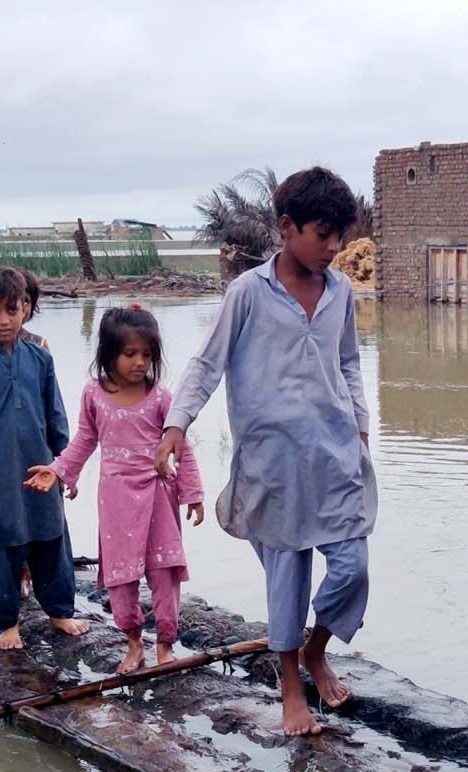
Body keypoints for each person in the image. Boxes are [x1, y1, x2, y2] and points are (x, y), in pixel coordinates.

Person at [154, 166, 373, 737]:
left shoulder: (341, 290)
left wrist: (362, 422)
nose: (333, 247)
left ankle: (316, 649)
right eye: (322, 234)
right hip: (272, 462)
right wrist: (178, 424)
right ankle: (291, 687)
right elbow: (207, 362)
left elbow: (348, 362)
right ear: (286, 227)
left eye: (339, 236)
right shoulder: (248, 292)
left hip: (334, 454)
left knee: (352, 566)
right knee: (288, 573)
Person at [26, 305, 205, 675]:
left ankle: (165, 646)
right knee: (122, 576)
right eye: (130, 354)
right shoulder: (94, 394)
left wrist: (193, 493)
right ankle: (134, 643)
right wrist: (59, 471)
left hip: (158, 494)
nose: (140, 362)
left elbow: (181, 446)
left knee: (164, 571)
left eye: (147, 355)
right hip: (116, 499)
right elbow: (85, 440)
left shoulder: (161, 398)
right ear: (109, 354)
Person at [0, 266, 90, 651]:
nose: (4, 320)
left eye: (12, 310)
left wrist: (67, 467)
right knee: (0, 544)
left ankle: (60, 612)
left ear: (25, 310)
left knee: (52, 538)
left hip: (42, 467)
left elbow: (57, 417)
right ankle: (7, 622)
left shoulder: (40, 359)